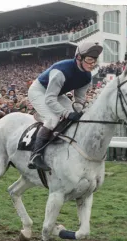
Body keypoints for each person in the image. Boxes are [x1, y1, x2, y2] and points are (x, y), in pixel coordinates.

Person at [27, 42, 103, 171]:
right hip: (40, 91)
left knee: (75, 116)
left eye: (94, 60)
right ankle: (36, 154)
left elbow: (79, 99)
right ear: (79, 58)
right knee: (52, 119)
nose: (92, 64)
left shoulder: (87, 76)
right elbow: (50, 99)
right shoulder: (61, 71)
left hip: (57, 94)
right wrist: (67, 113)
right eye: (89, 60)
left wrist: (79, 111)